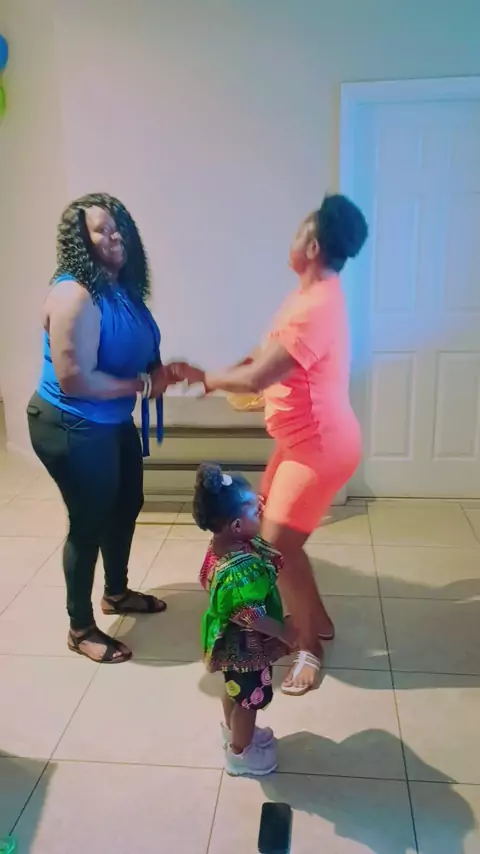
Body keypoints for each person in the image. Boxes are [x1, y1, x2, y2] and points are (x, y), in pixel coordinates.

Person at [173, 194, 368, 696]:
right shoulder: (310, 295)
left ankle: (308, 646)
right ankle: (317, 620)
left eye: (299, 231)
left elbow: (258, 376)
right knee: (276, 537)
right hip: (299, 440)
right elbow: (261, 359)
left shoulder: (316, 306)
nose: (292, 239)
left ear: (313, 245)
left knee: (276, 546)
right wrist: (218, 374)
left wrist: (205, 377)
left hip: (320, 446)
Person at [27, 193, 171, 664]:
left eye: (119, 227)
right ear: (81, 241)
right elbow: (76, 379)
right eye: (102, 230)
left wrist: (159, 369)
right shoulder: (74, 295)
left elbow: (138, 343)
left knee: (127, 503)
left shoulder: (120, 287)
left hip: (111, 418)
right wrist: (143, 384)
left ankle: (116, 592)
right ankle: (80, 628)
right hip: (71, 423)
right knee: (88, 522)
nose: (115, 237)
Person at [194, 463, 296, 777]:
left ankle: (233, 732)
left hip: (228, 643)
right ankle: (241, 753)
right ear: (237, 525)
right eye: (254, 510)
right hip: (245, 649)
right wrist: (285, 633)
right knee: (249, 700)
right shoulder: (240, 571)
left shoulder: (221, 546)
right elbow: (252, 616)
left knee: (234, 689)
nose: (260, 511)